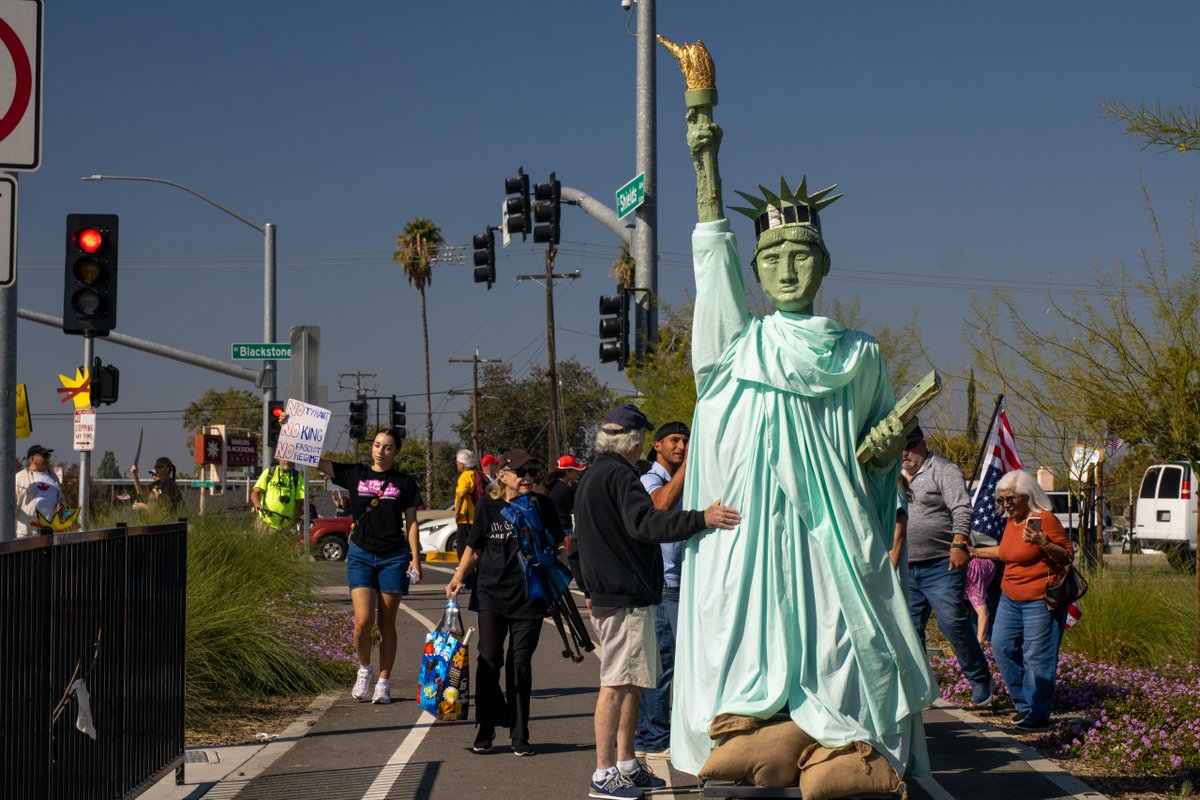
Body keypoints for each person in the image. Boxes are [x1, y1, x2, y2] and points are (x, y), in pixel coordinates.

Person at [658, 38, 938, 790]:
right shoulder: (732, 352)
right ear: (758, 270)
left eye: (801, 254)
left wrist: (879, 451)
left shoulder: (861, 354)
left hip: (830, 533)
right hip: (749, 533)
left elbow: (876, 457)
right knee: (749, 639)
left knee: (845, 641)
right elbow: (711, 257)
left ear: (825, 264)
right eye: (773, 257)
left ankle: (838, 747)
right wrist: (703, 144)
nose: (786, 268)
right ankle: (760, 735)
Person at [571, 403, 740, 800]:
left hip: (615, 594)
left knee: (633, 684)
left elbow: (577, 544)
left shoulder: (594, 475)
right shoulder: (621, 477)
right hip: (625, 597)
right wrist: (702, 519)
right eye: (644, 437)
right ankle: (603, 772)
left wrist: (591, 587)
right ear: (634, 440)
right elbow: (646, 523)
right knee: (616, 684)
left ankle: (627, 764)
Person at [446, 449, 563, 757]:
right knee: (489, 660)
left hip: (531, 596)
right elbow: (473, 547)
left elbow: (559, 544)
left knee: (520, 664)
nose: (528, 478)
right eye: (521, 472)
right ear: (503, 475)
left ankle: (520, 734)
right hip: (491, 595)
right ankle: (486, 728)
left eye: (531, 472)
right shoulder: (488, 506)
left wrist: (561, 566)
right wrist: (458, 577)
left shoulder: (542, 506)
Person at [313, 427, 422, 704]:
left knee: (387, 623)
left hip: (393, 556)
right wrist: (291, 428)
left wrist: (415, 558)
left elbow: (411, 524)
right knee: (363, 621)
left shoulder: (405, 483)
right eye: (376, 445)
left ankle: (384, 681)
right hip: (361, 553)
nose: (380, 451)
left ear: (396, 452)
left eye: (387, 447)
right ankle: (364, 669)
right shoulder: (355, 474)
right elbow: (312, 459)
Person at [970, 470, 1073, 731]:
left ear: (1028, 496)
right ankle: (1023, 704)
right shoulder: (1011, 522)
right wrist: (974, 551)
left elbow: (1067, 556)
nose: (1006, 505)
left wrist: (1043, 543)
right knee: (1002, 647)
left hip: (1040, 599)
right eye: (1002, 500)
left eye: (1011, 499)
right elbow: (1006, 552)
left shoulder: (1044, 520)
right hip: (1010, 598)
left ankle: (1037, 714)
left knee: (1037, 657)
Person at [903, 424, 994, 705]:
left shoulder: (943, 470)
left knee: (951, 621)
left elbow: (962, 508)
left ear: (924, 444)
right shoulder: (894, 476)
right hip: (906, 565)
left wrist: (957, 544)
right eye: (901, 447)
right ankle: (920, 687)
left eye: (911, 444)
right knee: (908, 628)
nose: (905, 452)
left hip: (942, 563)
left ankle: (980, 679)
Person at [633, 421, 689, 762]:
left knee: (674, 662)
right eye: (674, 441)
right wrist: (688, 466)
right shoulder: (652, 479)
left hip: (681, 582)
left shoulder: (679, 477)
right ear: (657, 446)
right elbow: (661, 506)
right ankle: (651, 738)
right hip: (665, 584)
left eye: (685, 441)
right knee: (662, 662)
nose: (681, 446)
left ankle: (656, 731)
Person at [15, 444, 65, 537]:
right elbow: (10, 506)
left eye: (48, 456)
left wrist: (61, 506)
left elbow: (61, 499)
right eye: (44, 456)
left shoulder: (53, 476)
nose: (47, 459)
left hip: (51, 531)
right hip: (27, 533)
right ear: (33, 458)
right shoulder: (19, 478)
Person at [251, 457, 306, 532]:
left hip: (287, 525)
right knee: (261, 543)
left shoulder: (297, 477)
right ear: (279, 459)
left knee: (288, 544)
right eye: (285, 458)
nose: (287, 461)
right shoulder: (269, 472)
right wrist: (257, 504)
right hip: (265, 523)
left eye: (290, 458)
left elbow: (300, 501)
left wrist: (295, 519)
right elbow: (255, 493)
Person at [454, 449, 484, 558]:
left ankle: (467, 575)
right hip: (477, 519)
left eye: (457, 462)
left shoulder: (465, 476)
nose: (457, 464)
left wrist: (457, 512)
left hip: (466, 520)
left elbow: (461, 494)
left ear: (462, 464)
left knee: (463, 552)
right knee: (477, 551)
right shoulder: (478, 474)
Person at [545, 454, 585, 535]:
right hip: (563, 530)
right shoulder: (565, 488)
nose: (578, 474)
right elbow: (577, 505)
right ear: (567, 472)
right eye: (576, 471)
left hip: (554, 528)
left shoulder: (554, 485)